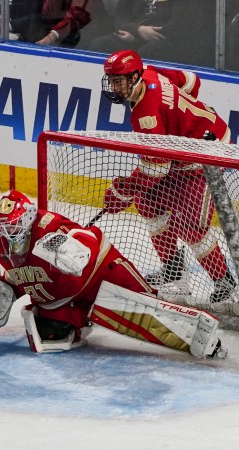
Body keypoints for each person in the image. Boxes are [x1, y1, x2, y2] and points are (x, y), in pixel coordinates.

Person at [0, 190, 227, 359]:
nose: (9, 231)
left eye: (13, 224)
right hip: (61, 296)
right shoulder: (1, 243)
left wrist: (73, 248)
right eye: (4, 225)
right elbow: (21, 275)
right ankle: (83, 317)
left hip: (101, 274)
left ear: (28, 216)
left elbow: (87, 238)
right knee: (46, 338)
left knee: (147, 309)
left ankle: (205, 340)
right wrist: (4, 292)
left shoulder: (48, 226)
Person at [101, 49, 236, 304]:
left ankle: (225, 283)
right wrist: (181, 118)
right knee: (148, 204)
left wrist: (123, 191)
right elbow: (192, 81)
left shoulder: (146, 115)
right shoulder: (151, 71)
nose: (113, 86)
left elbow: (156, 169)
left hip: (207, 151)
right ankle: (174, 272)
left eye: (118, 81)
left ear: (134, 76)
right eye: (111, 80)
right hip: (180, 151)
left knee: (192, 226)